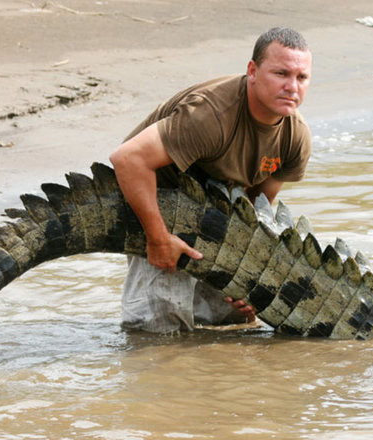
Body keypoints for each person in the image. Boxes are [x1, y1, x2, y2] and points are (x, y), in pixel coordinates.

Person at [109, 27, 313, 333]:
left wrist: (247, 276)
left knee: (234, 322)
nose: (292, 87)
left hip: (214, 210)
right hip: (157, 197)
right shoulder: (211, 115)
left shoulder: (295, 137)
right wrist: (158, 237)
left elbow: (257, 208)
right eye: (281, 73)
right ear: (253, 71)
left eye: (301, 77)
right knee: (157, 333)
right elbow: (127, 159)